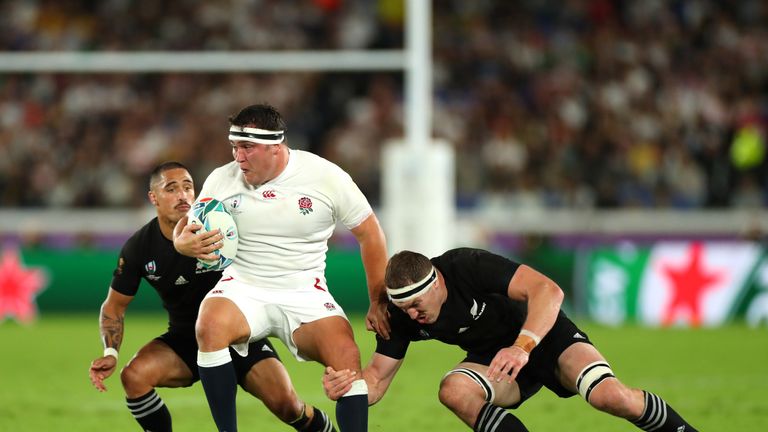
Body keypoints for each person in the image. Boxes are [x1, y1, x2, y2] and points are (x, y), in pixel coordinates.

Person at [173, 104, 389, 432]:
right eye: (234, 147)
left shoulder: (326, 177)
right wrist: (181, 243)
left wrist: (377, 299)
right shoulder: (222, 178)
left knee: (346, 355)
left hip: (304, 291)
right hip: (242, 285)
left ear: (275, 146)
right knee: (209, 326)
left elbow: (370, 234)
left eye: (247, 148)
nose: (238, 158)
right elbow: (188, 225)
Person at [323, 248, 700, 432]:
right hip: (495, 360)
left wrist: (523, 346)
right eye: (402, 307)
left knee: (609, 396)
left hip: (544, 338)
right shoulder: (401, 315)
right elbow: (377, 380)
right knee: (454, 391)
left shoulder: (466, 266)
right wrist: (349, 384)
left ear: (437, 281)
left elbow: (548, 291)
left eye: (417, 305)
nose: (411, 315)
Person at [88, 161, 336, 432]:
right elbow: (114, 307)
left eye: (187, 187)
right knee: (133, 376)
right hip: (185, 341)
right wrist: (110, 352)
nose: (182, 195)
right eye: (171, 188)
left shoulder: (222, 226)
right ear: (153, 198)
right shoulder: (140, 247)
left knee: (290, 407)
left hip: (238, 337)